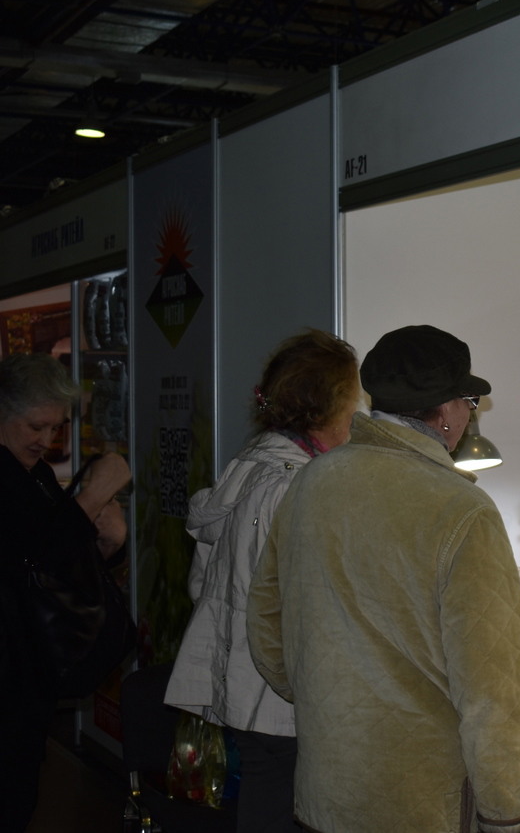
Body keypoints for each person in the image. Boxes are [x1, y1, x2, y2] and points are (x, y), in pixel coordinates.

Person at [246, 325, 520, 833]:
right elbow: (495, 692)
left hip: (324, 792)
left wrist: (327, 697)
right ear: (444, 412)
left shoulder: (311, 481)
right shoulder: (463, 510)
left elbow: (266, 629)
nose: (470, 414)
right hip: (420, 800)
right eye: (469, 401)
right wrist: (506, 814)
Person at [165, 329, 360, 833]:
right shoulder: (296, 485)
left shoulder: (249, 466)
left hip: (245, 685)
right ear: (330, 407)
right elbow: (308, 605)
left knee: (264, 800)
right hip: (280, 695)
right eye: (353, 400)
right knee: (282, 810)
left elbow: (203, 581)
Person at [0, 352, 131, 833]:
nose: (46, 440)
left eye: (55, 428)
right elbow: (32, 558)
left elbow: (61, 565)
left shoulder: (31, 472)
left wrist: (109, 547)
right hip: (9, 673)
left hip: (27, 674)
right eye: (36, 426)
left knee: (19, 796)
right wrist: (91, 498)